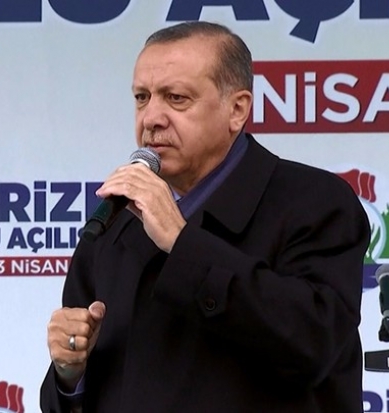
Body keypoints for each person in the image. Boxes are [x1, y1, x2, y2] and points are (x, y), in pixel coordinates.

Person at [40, 21, 370, 413]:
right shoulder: (114, 220)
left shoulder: (314, 201)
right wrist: (69, 373)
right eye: (142, 98)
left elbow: (316, 342)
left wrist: (182, 242)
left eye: (176, 98)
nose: (151, 117)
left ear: (237, 109)